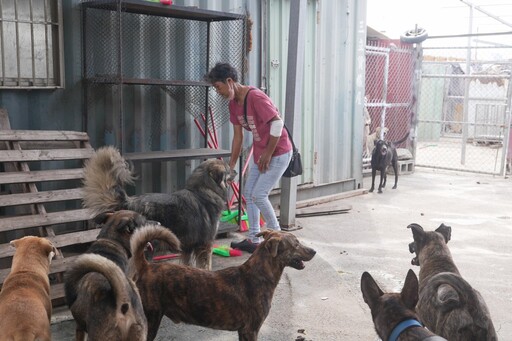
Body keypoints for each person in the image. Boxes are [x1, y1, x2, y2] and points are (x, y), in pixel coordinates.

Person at [206, 62, 293, 253]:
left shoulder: (255, 97)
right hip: (262, 153)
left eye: (218, 87)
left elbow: (277, 124)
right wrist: (229, 167)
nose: (218, 92)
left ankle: (279, 239)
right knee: (249, 195)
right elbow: (238, 137)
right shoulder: (233, 104)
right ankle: (254, 239)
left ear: (229, 81)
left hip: (278, 152)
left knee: (259, 194)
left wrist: (268, 154)